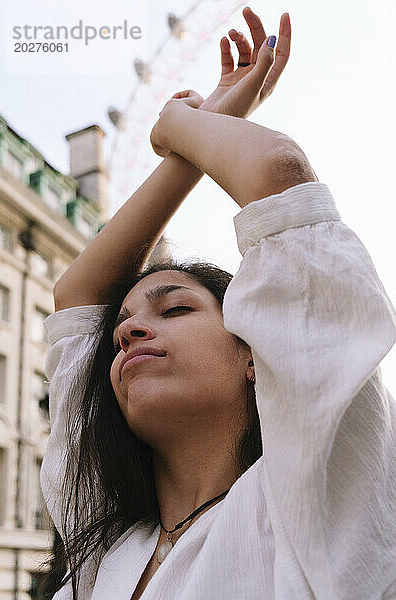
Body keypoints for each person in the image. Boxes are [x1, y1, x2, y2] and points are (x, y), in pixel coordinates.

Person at [40, 7, 396, 600]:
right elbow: (79, 298)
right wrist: (193, 133)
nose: (127, 333)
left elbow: (278, 176)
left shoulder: (312, 500)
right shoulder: (105, 542)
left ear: (256, 352)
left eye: (175, 309)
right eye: (122, 326)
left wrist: (179, 123)